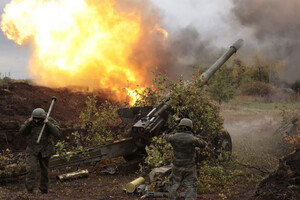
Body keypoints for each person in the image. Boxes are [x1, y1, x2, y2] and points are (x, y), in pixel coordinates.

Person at [19, 108, 60, 194]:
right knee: (31, 169)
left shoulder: (50, 120)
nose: (36, 120)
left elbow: (57, 133)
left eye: (38, 119)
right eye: (35, 118)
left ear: (42, 118)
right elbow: (22, 132)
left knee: (44, 170)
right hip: (32, 149)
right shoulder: (30, 122)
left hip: (45, 149)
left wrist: (47, 123)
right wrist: (28, 122)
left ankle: (44, 190)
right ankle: (29, 190)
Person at [166, 118, 207, 200]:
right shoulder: (192, 139)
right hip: (189, 167)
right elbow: (203, 144)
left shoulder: (173, 137)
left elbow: (167, 137)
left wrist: (175, 132)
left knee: (173, 185)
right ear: (190, 127)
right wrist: (197, 137)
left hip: (176, 166)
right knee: (191, 186)